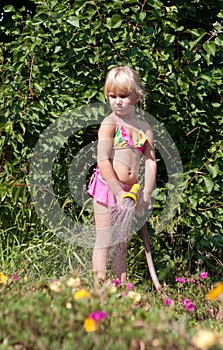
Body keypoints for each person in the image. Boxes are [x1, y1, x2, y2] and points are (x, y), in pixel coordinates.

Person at [88, 66, 157, 285]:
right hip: (108, 187)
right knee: (105, 239)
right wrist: (117, 191)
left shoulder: (144, 128)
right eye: (112, 96)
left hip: (130, 192)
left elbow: (150, 160)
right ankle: (101, 288)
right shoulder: (110, 123)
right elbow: (102, 159)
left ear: (137, 95)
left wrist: (146, 192)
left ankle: (120, 290)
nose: (117, 101)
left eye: (123, 96)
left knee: (121, 243)